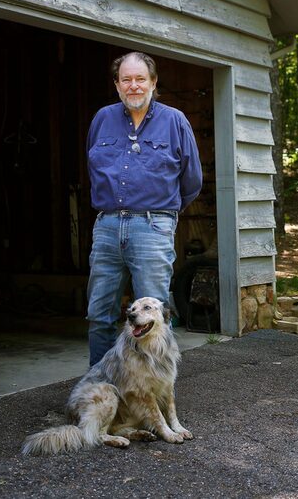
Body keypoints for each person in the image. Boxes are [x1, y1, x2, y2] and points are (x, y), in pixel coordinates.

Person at [85, 51, 202, 366]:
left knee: (154, 317)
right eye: (126, 79)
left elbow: (192, 181)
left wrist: (163, 214)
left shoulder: (174, 121)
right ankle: (102, 389)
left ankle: (154, 392)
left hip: (152, 228)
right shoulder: (102, 119)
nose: (133, 85)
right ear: (117, 84)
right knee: (99, 314)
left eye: (140, 79)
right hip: (107, 227)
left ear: (153, 82)